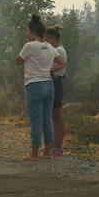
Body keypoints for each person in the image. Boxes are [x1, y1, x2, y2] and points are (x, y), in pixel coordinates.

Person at [15, 14, 65, 160]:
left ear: (32, 32)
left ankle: (34, 153)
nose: (26, 34)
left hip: (35, 85)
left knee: (36, 120)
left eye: (27, 32)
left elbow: (18, 61)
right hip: (49, 85)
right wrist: (50, 70)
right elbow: (62, 62)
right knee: (47, 119)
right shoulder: (49, 47)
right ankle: (47, 152)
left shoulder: (29, 46)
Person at [45, 24, 68, 157]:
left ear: (52, 37)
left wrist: (47, 70)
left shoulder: (59, 50)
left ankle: (58, 146)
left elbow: (59, 67)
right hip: (51, 82)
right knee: (53, 116)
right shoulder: (53, 49)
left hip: (56, 83)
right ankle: (53, 144)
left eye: (46, 37)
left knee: (57, 116)